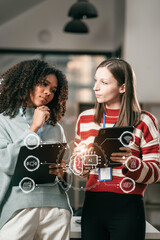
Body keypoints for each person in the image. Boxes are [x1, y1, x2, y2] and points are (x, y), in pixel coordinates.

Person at [74, 58, 160, 240]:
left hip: (127, 207)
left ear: (123, 87)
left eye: (104, 82)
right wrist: (81, 161)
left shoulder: (145, 121)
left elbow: (156, 172)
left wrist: (132, 164)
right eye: (95, 80)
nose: (96, 87)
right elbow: (78, 171)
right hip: (93, 205)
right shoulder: (85, 119)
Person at [0, 59, 72, 240]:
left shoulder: (56, 128)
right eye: (44, 84)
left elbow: (66, 174)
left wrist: (63, 173)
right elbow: (7, 163)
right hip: (18, 209)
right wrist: (33, 128)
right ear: (25, 83)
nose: (48, 92)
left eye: (53, 90)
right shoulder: (3, 122)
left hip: (56, 210)